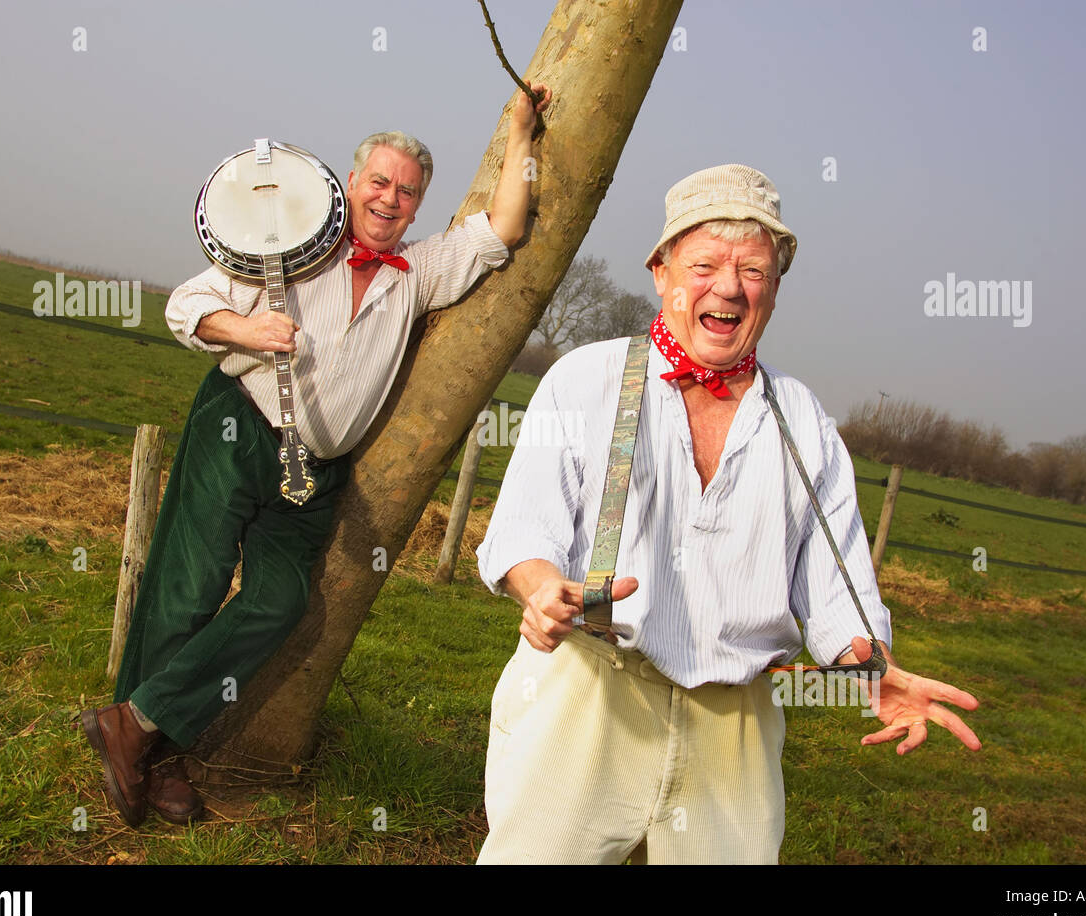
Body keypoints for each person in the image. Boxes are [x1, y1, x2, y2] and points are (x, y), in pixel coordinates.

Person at [474, 163, 980, 864]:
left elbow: (838, 586)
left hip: (736, 720)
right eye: (704, 262)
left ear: (774, 288)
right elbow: (526, 524)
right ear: (661, 270)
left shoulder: (806, 422)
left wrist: (872, 665)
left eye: (753, 269)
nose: (729, 287)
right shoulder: (584, 380)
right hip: (589, 688)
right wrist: (539, 588)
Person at [83, 85, 551, 828]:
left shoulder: (419, 274)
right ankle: (156, 755)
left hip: (316, 472)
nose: (390, 199)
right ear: (351, 181)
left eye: (407, 191)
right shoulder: (294, 246)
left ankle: (131, 724)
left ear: (418, 205)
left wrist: (523, 131)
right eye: (379, 182)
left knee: (279, 601)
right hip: (238, 426)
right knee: (190, 587)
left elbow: (504, 226)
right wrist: (243, 330)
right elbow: (184, 305)